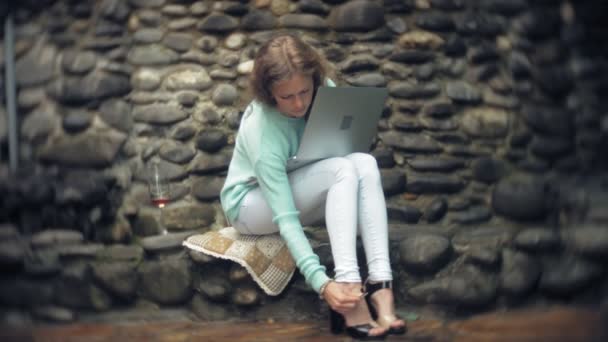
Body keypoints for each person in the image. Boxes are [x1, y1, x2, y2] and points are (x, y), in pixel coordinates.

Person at [220, 33, 406, 339]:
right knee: (342, 169)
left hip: (305, 184)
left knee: (363, 162)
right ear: (268, 93)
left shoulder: (324, 94)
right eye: (286, 97)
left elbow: (349, 163)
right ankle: (348, 292)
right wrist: (322, 282)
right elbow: (286, 218)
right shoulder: (262, 130)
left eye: (305, 92)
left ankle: (381, 286)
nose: (298, 104)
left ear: (314, 81)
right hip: (249, 205)